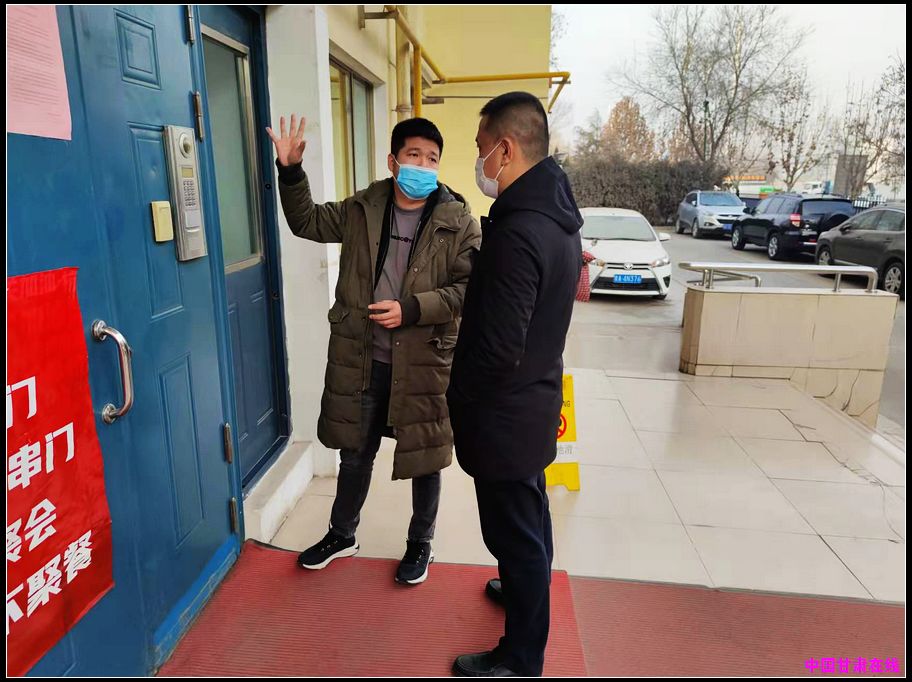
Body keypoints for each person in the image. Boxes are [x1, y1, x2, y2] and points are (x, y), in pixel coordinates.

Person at [267, 115, 481, 585]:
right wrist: (291, 171)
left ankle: (420, 542)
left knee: (425, 457)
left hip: (423, 359)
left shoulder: (459, 223)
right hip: (363, 356)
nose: (423, 165)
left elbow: (468, 291)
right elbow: (306, 221)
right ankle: (342, 534)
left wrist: (412, 309)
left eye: (432, 158)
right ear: (393, 161)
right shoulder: (362, 208)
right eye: (413, 155)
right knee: (355, 452)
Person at [446, 92, 583, 676]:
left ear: (505, 149)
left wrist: (460, 395)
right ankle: (525, 587)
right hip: (532, 401)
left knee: (517, 534)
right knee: (530, 518)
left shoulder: (518, 231)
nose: (479, 161)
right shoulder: (555, 217)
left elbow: (498, 349)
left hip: (505, 416)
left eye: (481, 148)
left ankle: (521, 658)